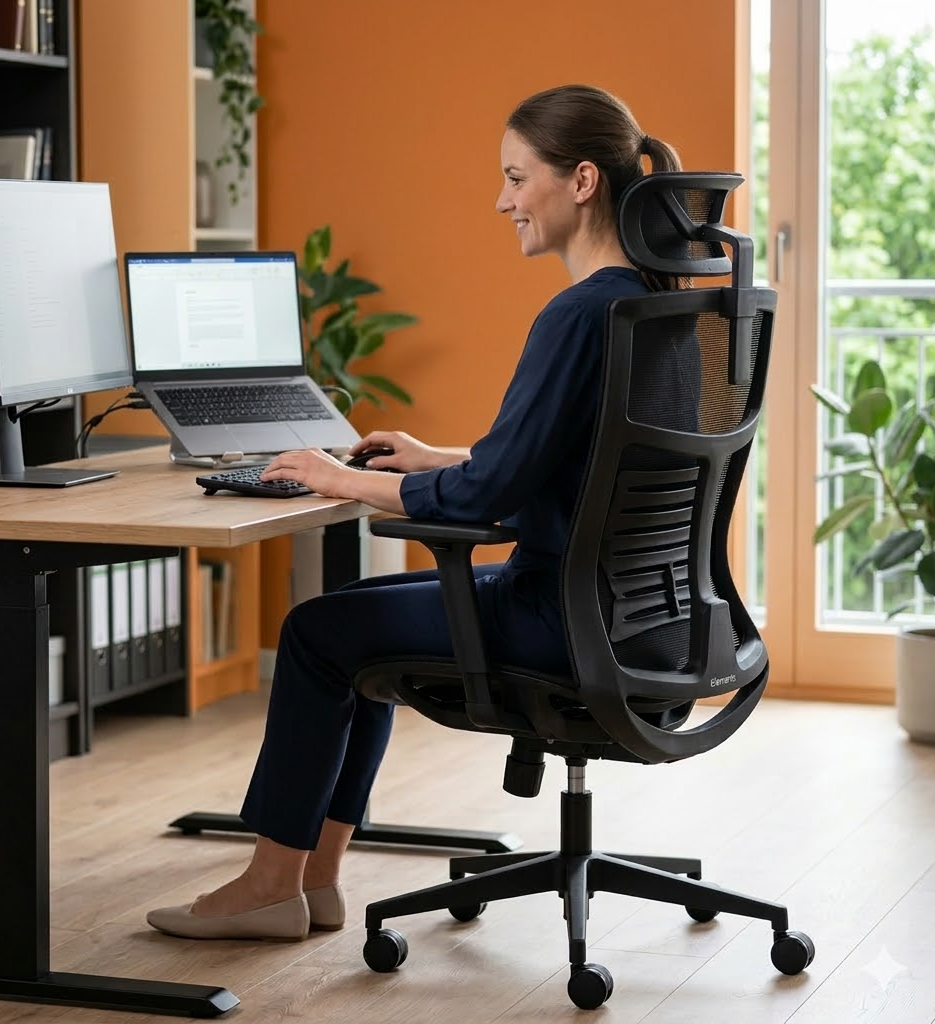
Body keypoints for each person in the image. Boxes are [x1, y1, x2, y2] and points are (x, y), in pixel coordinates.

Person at [146, 83, 686, 941]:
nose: (502, 199)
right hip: (645, 618)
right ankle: (313, 881)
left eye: (517, 177)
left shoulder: (578, 315)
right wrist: (439, 457)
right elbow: (577, 458)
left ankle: (270, 882)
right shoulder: (654, 303)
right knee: (349, 623)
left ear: (582, 181)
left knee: (318, 636)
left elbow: (488, 502)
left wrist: (339, 477)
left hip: (562, 620)